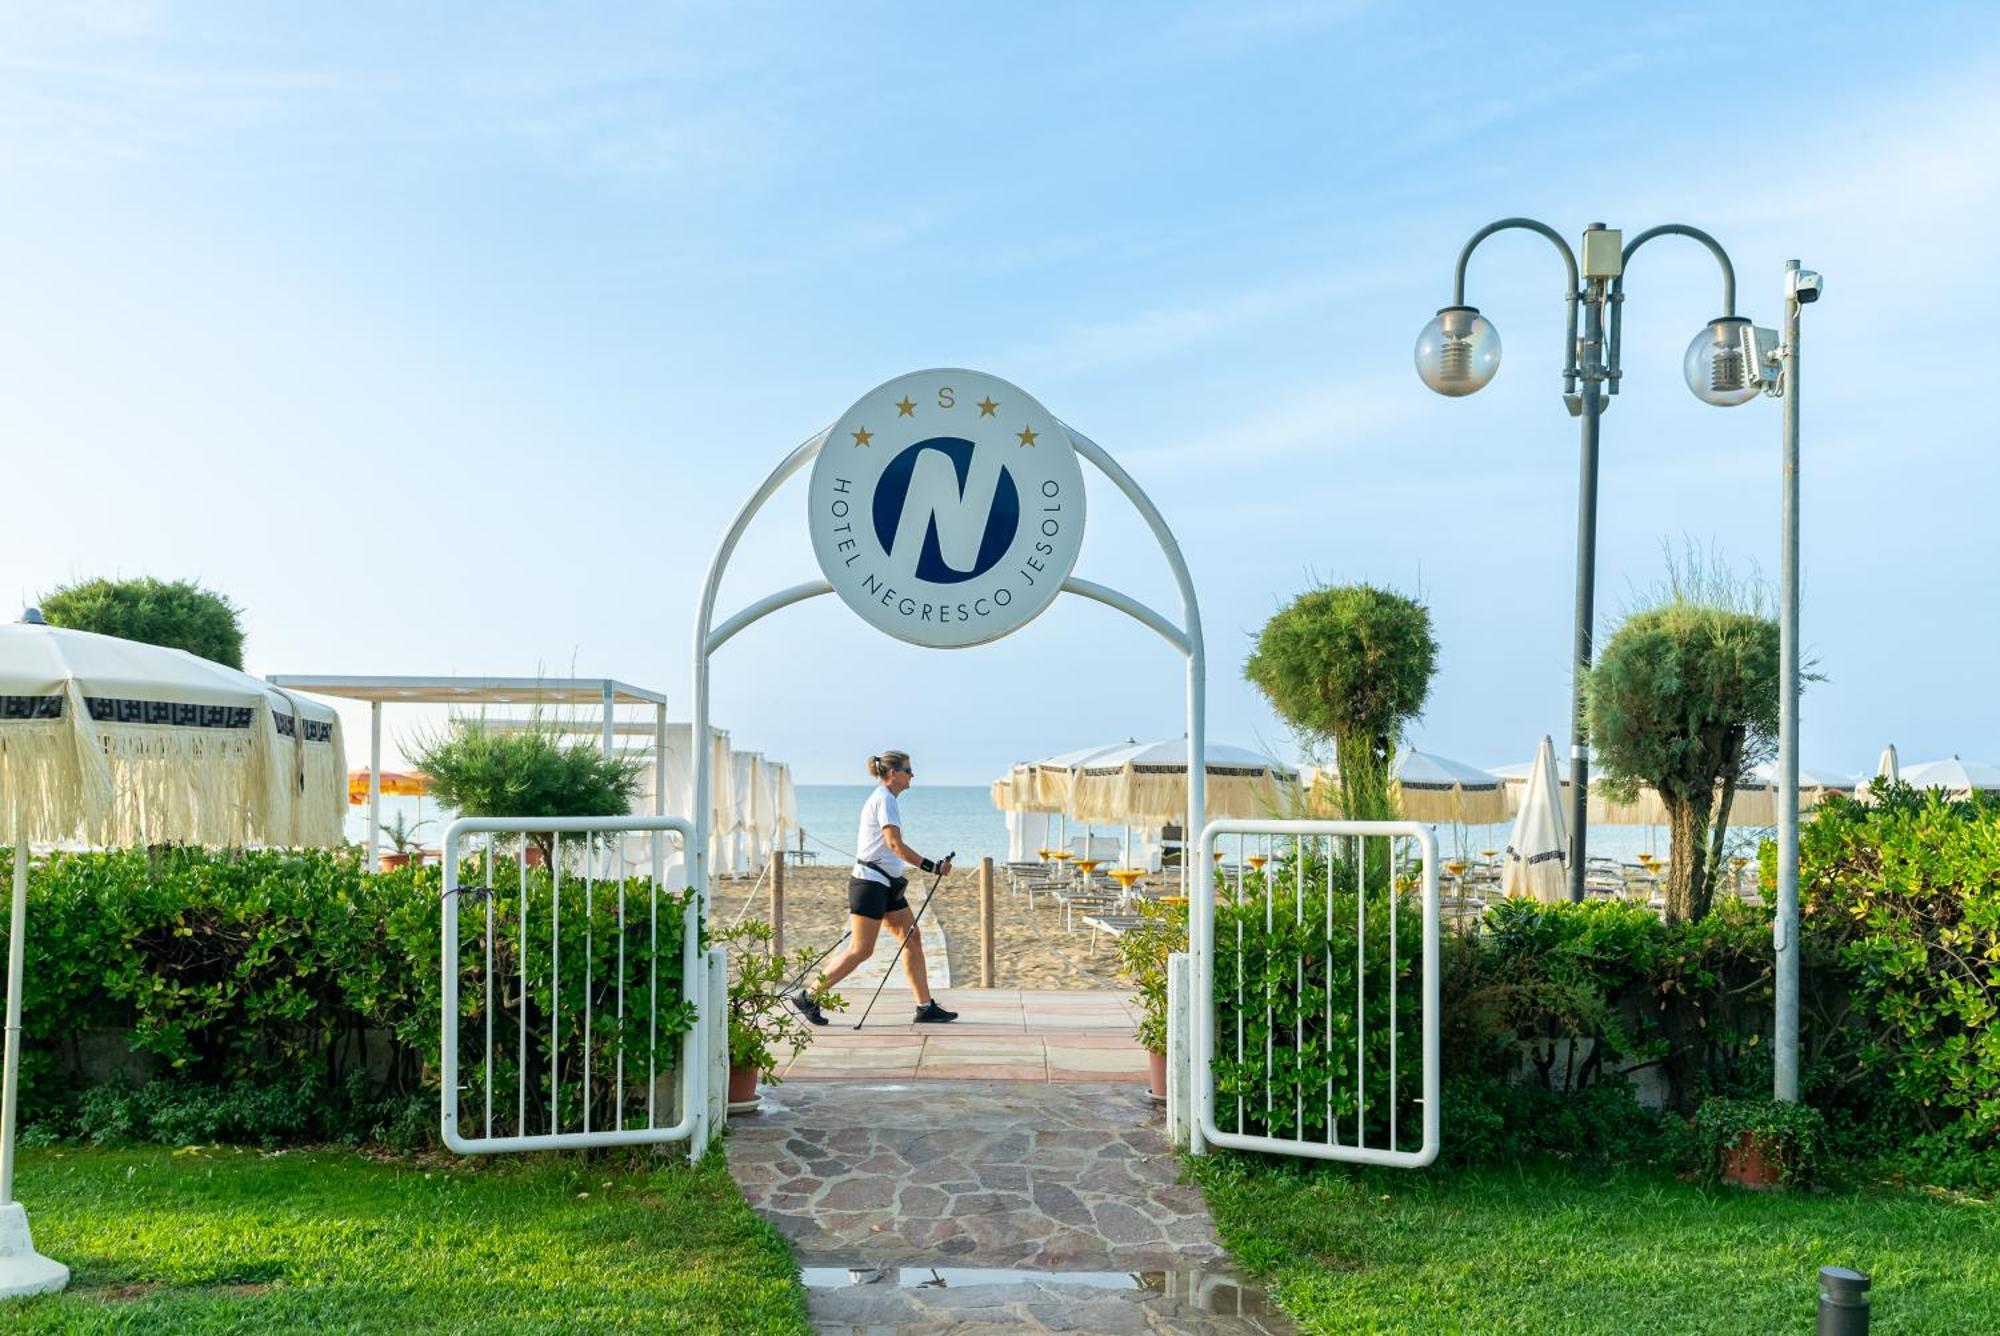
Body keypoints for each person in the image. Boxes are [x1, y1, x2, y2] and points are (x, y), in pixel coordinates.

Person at [789, 750, 958, 1024]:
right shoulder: (884, 800)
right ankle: (808, 995)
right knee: (861, 950)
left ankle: (925, 1007)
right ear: (893, 774)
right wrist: (932, 867)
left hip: (885, 885)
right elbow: (894, 844)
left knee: (911, 937)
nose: (912, 774)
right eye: (908, 770)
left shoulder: (888, 799)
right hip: (870, 884)